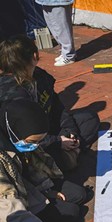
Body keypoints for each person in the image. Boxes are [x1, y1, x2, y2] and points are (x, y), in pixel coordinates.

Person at [0, 99, 88, 222]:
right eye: (32, 141)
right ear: (14, 130)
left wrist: (46, 190)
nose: (36, 146)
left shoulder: (14, 133)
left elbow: (27, 173)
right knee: (70, 212)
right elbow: (10, 209)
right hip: (10, 202)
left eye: (39, 141)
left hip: (25, 188)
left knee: (78, 195)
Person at [0, 35, 99, 172]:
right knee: (76, 192)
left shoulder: (39, 76)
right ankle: (69, 156)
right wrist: (57, 142)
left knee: (89, 119)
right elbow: (23, 141)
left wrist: (70, 133)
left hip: (51, 131)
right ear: (35, 56)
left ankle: (71, 152)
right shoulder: (11, 95)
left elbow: (58, 107)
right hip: (32, 147)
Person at [35, 0, 76, 66]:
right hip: (47, 2)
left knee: (61, 28)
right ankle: (64, 52)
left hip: (58, 2)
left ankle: (69, 56)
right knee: (53, 26)